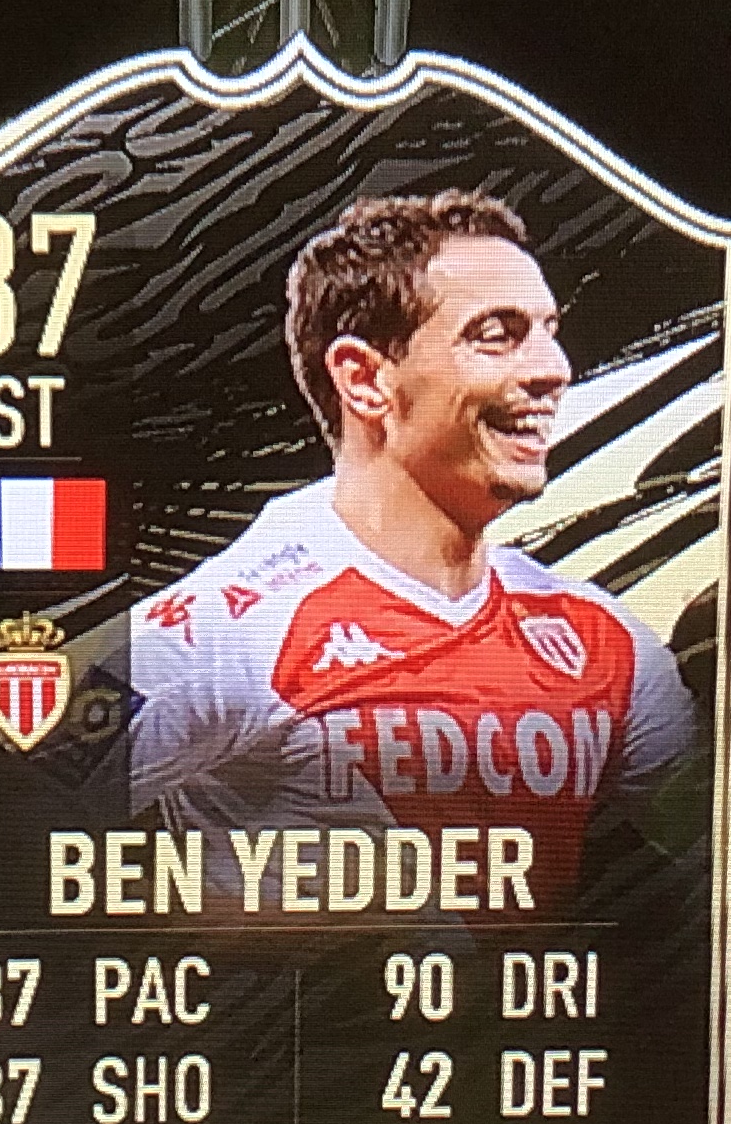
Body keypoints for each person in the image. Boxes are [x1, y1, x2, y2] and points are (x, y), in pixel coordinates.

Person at [122, 190, 699, 901]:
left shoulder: (606, 642)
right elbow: (17, 832)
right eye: (498, 334)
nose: (554, 369)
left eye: (550, 331)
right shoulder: (221, 630)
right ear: (364, 379)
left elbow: (719, 880)